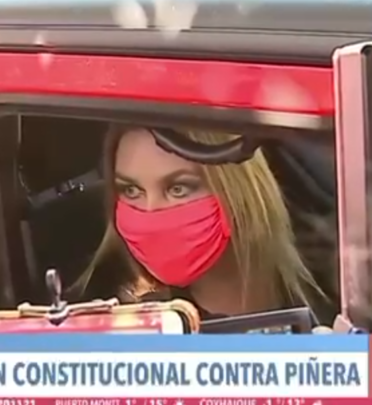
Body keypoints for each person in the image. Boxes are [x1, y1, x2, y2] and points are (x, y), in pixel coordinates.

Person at [71, 125, 334, 324]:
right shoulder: (132, 334)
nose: (150, 212)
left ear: (239, 191)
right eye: (131, 190)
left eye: (178, 188)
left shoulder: (336, 298)